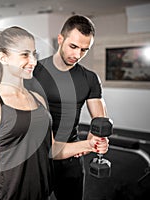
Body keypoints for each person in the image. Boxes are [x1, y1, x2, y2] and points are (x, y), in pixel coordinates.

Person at [0, 26, 108, 200]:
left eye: (34, 54)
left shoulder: (38, 99)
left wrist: (89, 145)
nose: (33, 61)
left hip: (42, 194)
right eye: (25, 54)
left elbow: (51, 148)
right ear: (3, 58)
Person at [24, 15, 110, 200]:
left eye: (84, 50)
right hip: (37, 158)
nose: (77, 55)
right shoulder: (34, 73)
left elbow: (99, 121)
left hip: (72, 157)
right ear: (60, 39)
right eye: (73, 46)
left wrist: (95, 141)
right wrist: (85, 145)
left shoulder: (90, 79)